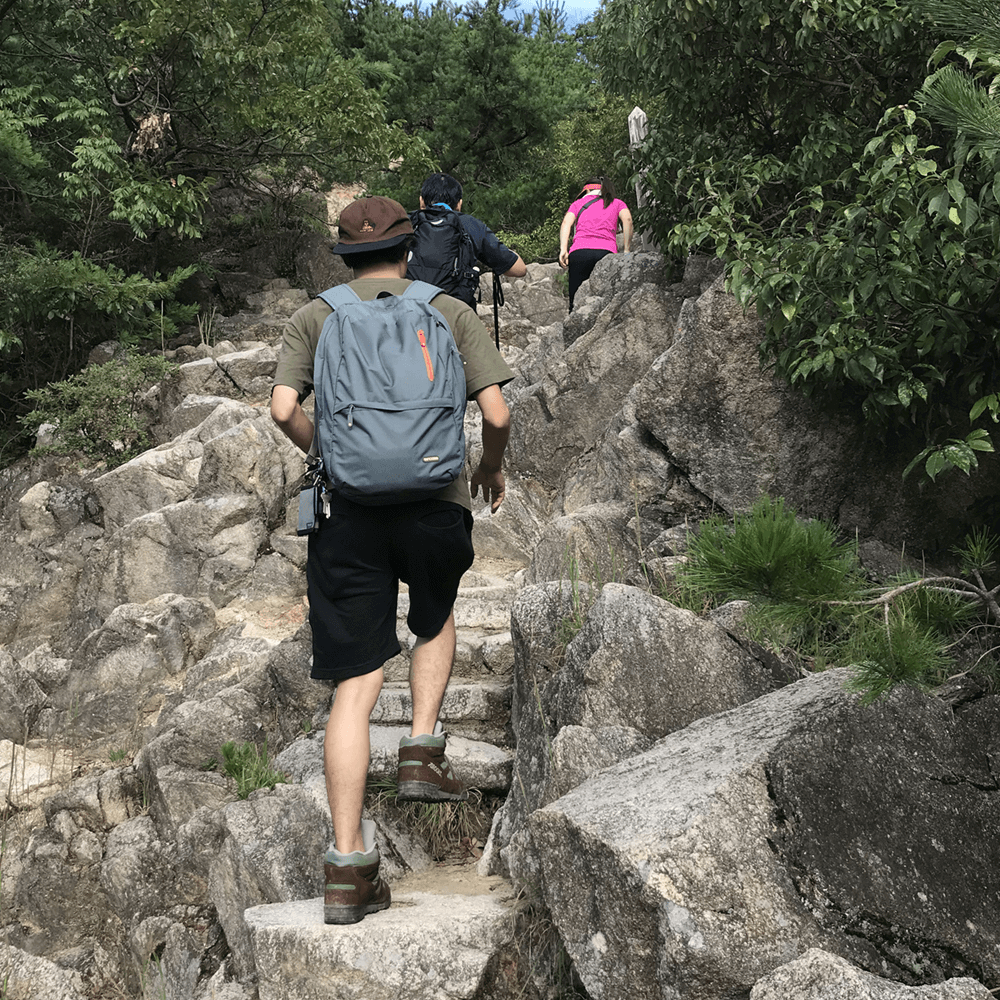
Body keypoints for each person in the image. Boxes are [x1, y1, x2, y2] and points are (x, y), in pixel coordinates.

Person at [270, 196, 513, 925]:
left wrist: (327, 454)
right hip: (437, 502)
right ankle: (420, 753)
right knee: (434, 620)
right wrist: (488, 467)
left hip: (349, 516)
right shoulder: (448, 309)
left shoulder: (315, 316)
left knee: (356, 681)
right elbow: (497, 414)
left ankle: (346, 870)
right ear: (409, 251)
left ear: (342, 256)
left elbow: (283, 408)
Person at [407, 172, 527, 310]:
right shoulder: (470, 225)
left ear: (421, 201)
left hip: (410, 314)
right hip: (456, 315)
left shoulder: (405, 222)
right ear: (459, 204)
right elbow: (519, 269)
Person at [558, 176, 633, 311]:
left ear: (586, 191)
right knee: (606, 299)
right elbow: (627, 219)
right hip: (606, 253)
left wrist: (563, 249)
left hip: (579, 252)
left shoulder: (577, 204)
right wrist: (627, 250)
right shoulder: (617, 203)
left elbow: (566, 223)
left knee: (575, 299)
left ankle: (574, 323)